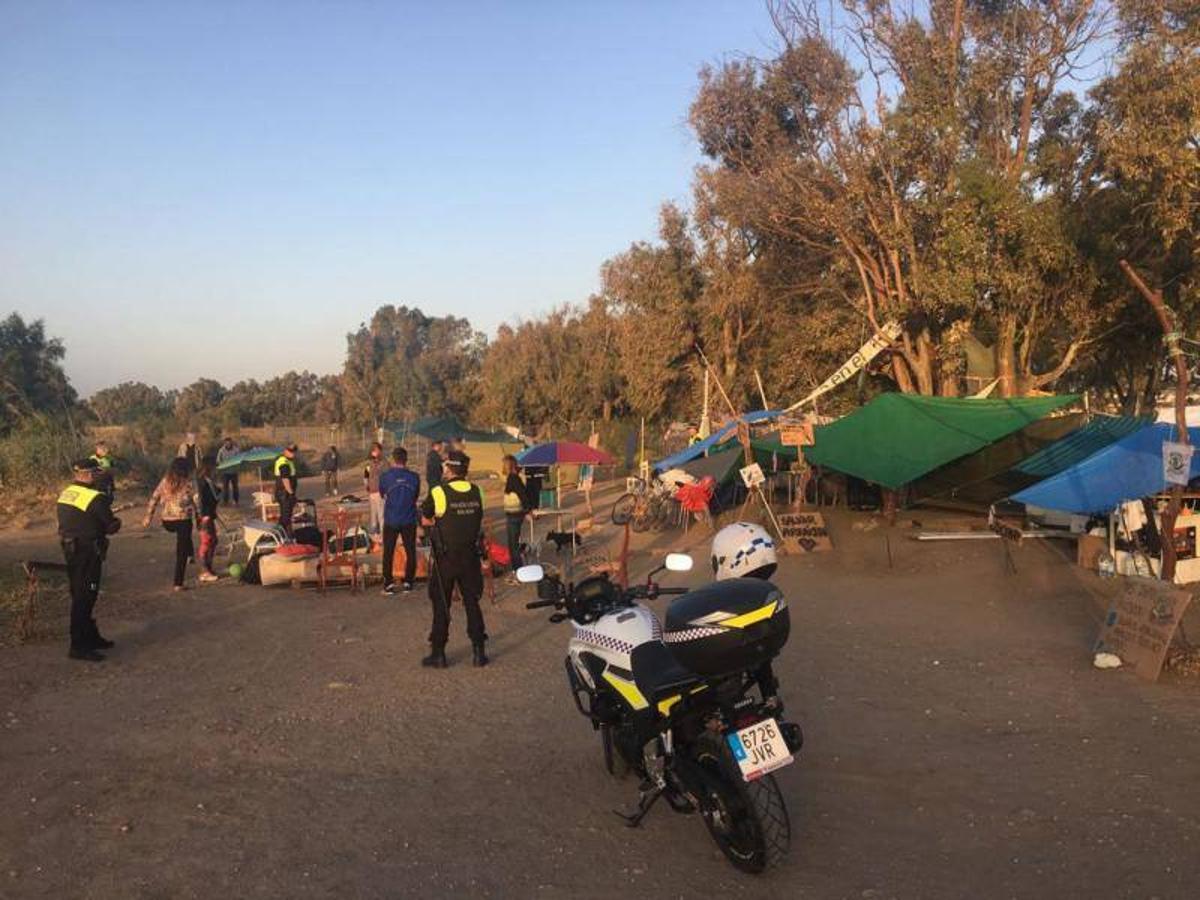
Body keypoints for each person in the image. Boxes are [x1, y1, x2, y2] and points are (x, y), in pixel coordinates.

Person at [420, 457, 487, 668]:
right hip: (470, 556)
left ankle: (438, 653)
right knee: (472, 603)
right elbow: (478, 518)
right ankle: (479, 652)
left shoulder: (439, 492)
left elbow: (425, 517)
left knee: (441, 604)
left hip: (446, 558)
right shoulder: (478, 491)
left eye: (445, 467)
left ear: (450, 468)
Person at [57, 459, 122, 661]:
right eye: (95, 473)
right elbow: (110, 525)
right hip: (88, 551)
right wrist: (117, 521)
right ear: (90, 474)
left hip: (70, 549)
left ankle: (90, 636)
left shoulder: (66, 493)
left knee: (81, 592)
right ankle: (78, 645)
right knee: (86, 595)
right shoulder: (95, 498)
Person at [143, 458, 197, 591]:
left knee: (185, 536)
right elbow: (197, 501)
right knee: (182, 548)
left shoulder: (165, 481)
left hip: (167, 521)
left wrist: (148, 517)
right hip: (183, 521)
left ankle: (190, 554)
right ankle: (178, 583)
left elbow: (154, 498)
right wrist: (200, 517)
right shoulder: (189, 483)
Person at [379, 446, 421, 595]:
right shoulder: (414, 477)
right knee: (410, 551)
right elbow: (415, 496)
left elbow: (382, 494)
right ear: (406, 460)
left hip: (391, 519)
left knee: (388, 552)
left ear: (393, 459)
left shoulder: (385, 477)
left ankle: (388, 584)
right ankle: (408, 582)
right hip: (409, 518)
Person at [196, 457, 221, 583]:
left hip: (210, 515)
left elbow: (214, 496)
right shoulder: (201, 482)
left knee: (214, 541)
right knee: (206, 542)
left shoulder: (209, 481)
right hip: (205, 516)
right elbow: (200, 500)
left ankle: (209, 567)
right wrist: (203, 516)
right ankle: (204, 571)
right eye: (214, 467)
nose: (215, 470)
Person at [502, 455, 527, 579]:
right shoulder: (514, 478)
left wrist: (528, 511)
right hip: (515, 514)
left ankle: (518, 571)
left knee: (513, 545)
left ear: (508, 465)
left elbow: (523, 495)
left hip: (514, 515)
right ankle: (518, 569)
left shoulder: (513, 478)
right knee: (513, 544)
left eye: (504, 464)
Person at [274, 443, 299, 535]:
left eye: (294, 451)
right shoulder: (283, 462)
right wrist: (291, 493)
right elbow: (285, 479)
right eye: (290, 451)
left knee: (286, 517)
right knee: (285, 517)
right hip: (284, 494)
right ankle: (279, 535)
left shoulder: (288, 461)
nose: (293, 453)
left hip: (284, 494)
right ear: (285, 451)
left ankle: (286, 535)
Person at [363, 442, 385, 534]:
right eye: (375, 450)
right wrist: (367, 486)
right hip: (374, 492)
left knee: (379, 514)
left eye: (378, 450)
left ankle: (382, 533)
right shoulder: (370, 464)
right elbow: (365, 477)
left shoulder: (383, 463)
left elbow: (365, 478)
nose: (377, 452)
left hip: (379, 492)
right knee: (375, 514)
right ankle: (377, 533)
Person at [215, 436, 241, 505]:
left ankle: (236, 500)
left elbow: (239, 459)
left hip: (234, 471)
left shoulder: (236, 450)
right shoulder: (221, 450)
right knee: (225, 487)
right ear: (224, 443)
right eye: (226, 443)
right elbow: (218, 460)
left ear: (231, 442)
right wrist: (222, 465)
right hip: (225, 472)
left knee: (235, 487)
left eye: (229, 443)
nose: (228, 444)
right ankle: (225, 501)